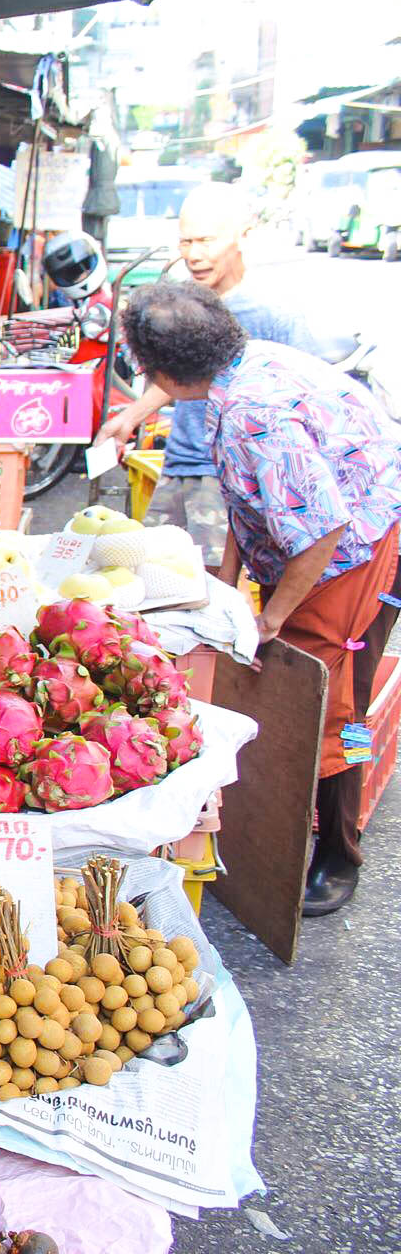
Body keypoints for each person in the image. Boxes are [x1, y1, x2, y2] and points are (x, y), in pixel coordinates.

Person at [122, 281, 401, 915]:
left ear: (159, 370)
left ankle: (340, 852)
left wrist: (272, 617)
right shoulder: (242, 369)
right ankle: (295, 817)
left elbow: (323, 526)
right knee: (291, 688)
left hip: (357, 541)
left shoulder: (255, 412)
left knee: (335, 703)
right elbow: (252, 504)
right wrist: (227, 586)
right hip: (316, 539)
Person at [99, 183, 338, 568]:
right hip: (182, 459)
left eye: (207, 241)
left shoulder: (274, 312)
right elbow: (181, 377)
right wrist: (130, 416)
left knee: (211, 586)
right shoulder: (184, 302)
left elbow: (308, 406)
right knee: (150, 571)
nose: (194, 255)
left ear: (243, 236)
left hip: (235, 477)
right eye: (185, 242)